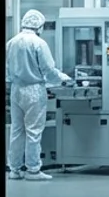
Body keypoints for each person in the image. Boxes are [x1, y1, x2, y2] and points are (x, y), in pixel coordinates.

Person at [6, 9, 69, 181]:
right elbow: (48, 70)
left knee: (17, 131)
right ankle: (33, 170)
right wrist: (63, 79)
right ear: (39, 26)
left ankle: (14, 170)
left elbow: (7, 70)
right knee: (33, 131)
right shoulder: (39, 43)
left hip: (16, 90)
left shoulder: (11, 42)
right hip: (34, 91)